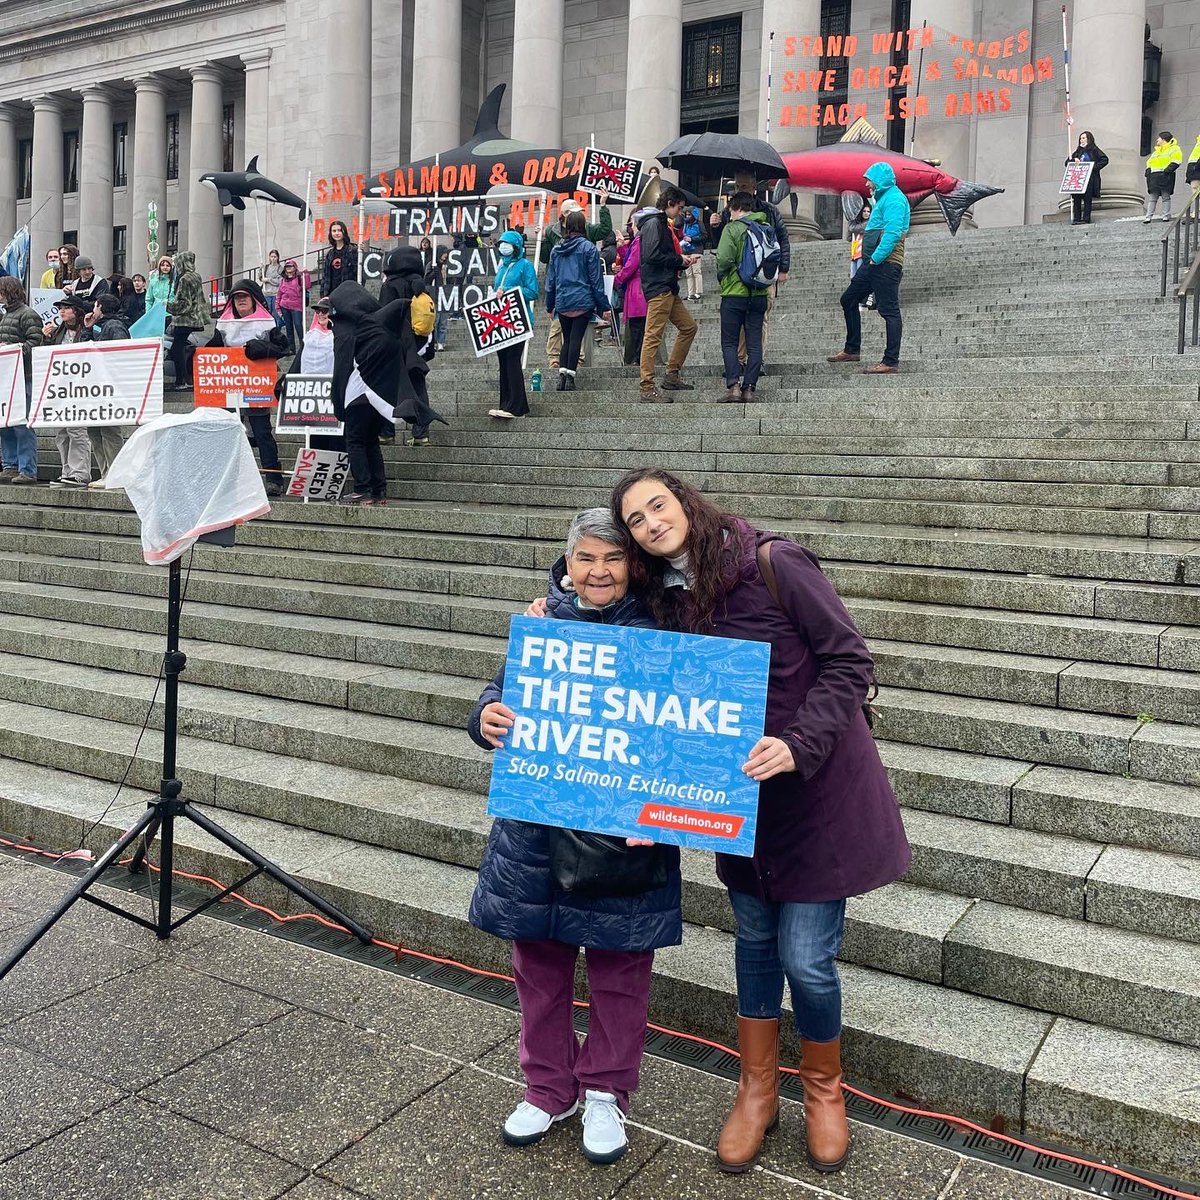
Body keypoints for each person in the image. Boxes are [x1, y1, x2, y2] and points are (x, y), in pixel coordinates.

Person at [611, 468, 911, 1177]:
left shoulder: (772, 562)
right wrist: (552, 606)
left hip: (815, 795)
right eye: (636, 519)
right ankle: (756, 1089)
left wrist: (798, 744)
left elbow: (849, 659)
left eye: (659, 505)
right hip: (737, 805)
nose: (653, 522)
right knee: (752, 943)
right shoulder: (661, 594)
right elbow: (628, 667)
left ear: (684, 502)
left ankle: (824, 1090)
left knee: (806, 958)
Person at [468, 507, 682, 1166]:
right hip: (535, 829)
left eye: (612, 559)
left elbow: (685, 731)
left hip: (624, 832)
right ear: (567, 565)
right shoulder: (541, 627)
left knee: (621, 970)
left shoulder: (663, 634)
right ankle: (547, 1086)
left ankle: (607, 1092)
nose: (598, 571)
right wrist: (487, 716)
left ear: (632, 568)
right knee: (539, 968)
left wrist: (666, 805)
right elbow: (497, 697)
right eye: (586, 558)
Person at [327, 279, 446, 504]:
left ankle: (362, 488)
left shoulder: (346, 331)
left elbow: (341, 368)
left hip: (356, 395)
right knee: (371, 441)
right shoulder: (378, 326)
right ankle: (378, 491)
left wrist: (337, 400)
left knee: (354, 441)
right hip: (378, 396)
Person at [828, 162, 910, 375]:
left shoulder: (894, 199)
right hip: (873, 263)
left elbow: (892, 233)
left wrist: (876, 258)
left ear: (880, 180)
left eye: (869, 179)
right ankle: (852, 349)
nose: (866, 184)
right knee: (848, 299)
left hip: (886, 263)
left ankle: (890, 361)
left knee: (889, 310)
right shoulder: (883, 199)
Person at [210, 279, 289, 496]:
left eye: (244, 297)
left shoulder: (266, 322)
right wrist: (195, 354)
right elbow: (213, 350)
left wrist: (262, 348)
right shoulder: (223, 324)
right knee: (227, 433)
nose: (241, 301)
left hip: (257, 387)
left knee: (263, 433)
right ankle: (228, 479)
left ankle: (273, 478)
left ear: (254, 300)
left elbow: (284, 347)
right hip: (229, 386)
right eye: (236, 298)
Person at [714, 171, 791, 376]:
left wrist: (783, 268)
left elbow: (782, 240)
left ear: (754, 185)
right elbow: (721, 240)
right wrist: (714, 226)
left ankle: (757, 362)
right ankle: (739, 361)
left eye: (744, 186)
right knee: (742, 322)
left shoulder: (769, 210)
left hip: (763, 275)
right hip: (740, 276)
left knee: (761, 320)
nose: (740, 189)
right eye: (738, 186)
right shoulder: (727, 212)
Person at [637, 185, 698, 403]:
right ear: (669, 204)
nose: (681, 212)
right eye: (679, 208)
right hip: (659, 288)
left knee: (689, 327)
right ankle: (647, 386)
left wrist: (682, 262)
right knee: (652, 337)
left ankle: (672, 374)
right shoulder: (654, 223)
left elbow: (660, 256)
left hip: (667, 287)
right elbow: (652, 256)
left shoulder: (661, 224)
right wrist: (678, 260)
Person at [541, 194, 611, 373]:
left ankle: (562, 376)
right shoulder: (587, 247)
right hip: (582, 299)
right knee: (574, 339)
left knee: (567, 339)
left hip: (562, 300)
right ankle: (569, 376)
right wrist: (603, 305)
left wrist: (550, 305)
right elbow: (596, 280)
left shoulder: (557, 248)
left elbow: (551, 279)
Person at [714, 192, 773, 403]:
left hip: (734, 293)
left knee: (730, 342)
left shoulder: (732, 228)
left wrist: (724, 276)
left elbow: (724, 258)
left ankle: (734, 387)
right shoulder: (766, 227)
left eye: (730, 209)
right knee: (754, 344)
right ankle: (749, 388)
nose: (729, 214)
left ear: (736, 208)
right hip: (759, 293)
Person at [378, 247, 438, 447]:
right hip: (417, 346)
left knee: (388, 388)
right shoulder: (421, 285)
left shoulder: (390, 285)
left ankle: (386, 432)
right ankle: (421, 433)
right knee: (418, 387)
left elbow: (384, 315)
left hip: (396, 343)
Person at [487, 228, 538, 420]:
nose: (504, 248)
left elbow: (532, 292)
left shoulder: (525, 265)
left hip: (519, 321)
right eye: (501, 244)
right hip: (501, 321)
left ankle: (517, 407)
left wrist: (509, 290)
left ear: (516, 247)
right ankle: (506, 403)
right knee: (503, 362)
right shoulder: (501, 267)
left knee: (512, 361)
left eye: (507, 244)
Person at [0, 277, 44, 486]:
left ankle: (27, 468)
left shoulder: (28, 314)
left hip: (23, 377)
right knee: (5, 423)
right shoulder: (5, 315)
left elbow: (35, 342)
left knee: (22, 424)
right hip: (7, 378)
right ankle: (10, 465)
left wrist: (13, 348)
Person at [45, 297, 92, 488]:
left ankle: (80, 472)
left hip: (82, 388)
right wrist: (45, 338)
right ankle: (67, 470)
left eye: (66, 308)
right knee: (62, 432)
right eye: (60, 309)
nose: (62, 312)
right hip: (61, 389)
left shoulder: (87, 330)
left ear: (76, 310)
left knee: (77, 430)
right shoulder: (58, 332)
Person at [85, 294, 131, 488]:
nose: (93, 310)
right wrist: (87, 329)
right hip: (97, 386)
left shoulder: (115, 326)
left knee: (109, 431)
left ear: (101, 306)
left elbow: (121, 354)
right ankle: (106, 473)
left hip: (109, 387)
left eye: (95, 306)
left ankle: (116, 473)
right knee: (94, 430)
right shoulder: (99, 326)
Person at [165, 250, 209, 390]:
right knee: (181, 347)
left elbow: (184, 303)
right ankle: (186, 379)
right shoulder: (196, 276)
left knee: (177, 349)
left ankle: (181, 381)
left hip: (184, 320)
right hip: (195, 318)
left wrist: (167, 306)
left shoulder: (184, 279)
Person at [614, 213, 650, 368]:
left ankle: (638, 359)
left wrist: (615, 280)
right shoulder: (639, 241)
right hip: (638, 288)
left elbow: (630, 265)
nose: (630, 227)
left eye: (632, 224)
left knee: (637, 328)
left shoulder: (639, 241)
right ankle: (638, 358)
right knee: (638, 327)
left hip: (638, 290)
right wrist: (622, 246)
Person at [1067, 131, 1108, 225]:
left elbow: (1104, 159)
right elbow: (1067, 163)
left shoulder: (1094, 149)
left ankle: (1086, 218)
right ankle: (1076, 218)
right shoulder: (1078, 152)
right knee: (1076, 198)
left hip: (1089, 179)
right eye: (1081, 138)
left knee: (1087, 198)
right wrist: (1074, 159)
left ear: (1089, 139)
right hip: (1078, 179)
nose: (1082, 140)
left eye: (1084, 138)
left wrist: (1093, 168)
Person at [1144, 131, 1183, 222]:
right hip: (1154, 176)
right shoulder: (1156, 152)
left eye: (1159, 138)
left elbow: (1177, 161)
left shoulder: (1174, 149)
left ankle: (1165, 215)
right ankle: (1148, 216)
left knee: (1166, 196)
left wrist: (1167, 171)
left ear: (1164, 139)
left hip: (1166, 176)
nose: (1157, 139)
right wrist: (1148, 171)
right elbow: (1149, 162)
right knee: (1153, 197)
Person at [276, 260, 308, 354]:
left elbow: (307, 285)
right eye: (287, 266)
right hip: (284, 306)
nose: (288, 268)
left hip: (296, 307)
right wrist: (278, 308)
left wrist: (306, 274)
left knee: (298, 326)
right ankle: (291, 349)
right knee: (289, 328)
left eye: (290, 266)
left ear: (295, 267)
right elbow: (279, 295)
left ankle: (303, 347)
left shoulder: (299, 278)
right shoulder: (282, 280)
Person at [321, 220, 358, 296]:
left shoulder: (352, 251)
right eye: (334, 231)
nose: (337, 233)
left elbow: (357, 273)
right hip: (331, 294)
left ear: (344, 232)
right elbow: (325, 276)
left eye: (339, 230)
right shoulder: (330, 254)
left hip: (347, 293)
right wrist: (322, 294)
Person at [300, 297, 335, 374]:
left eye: (325, 311)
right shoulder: (310, 336)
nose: (320, 314)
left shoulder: (338, 335)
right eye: (318, 311)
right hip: (310, 380)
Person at [681, 205, 705, 302]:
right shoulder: (685, 224)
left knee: (696, 271)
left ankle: (698, 292)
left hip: (696, 250)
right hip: (686, 250)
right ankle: (691, 293)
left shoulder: (699, 224)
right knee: (689, 273)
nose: (687, 216)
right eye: (686, 214)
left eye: (689, 214)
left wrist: (692, 239)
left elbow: (704, 236)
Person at [431, 246, 451, 351]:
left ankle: (441, 342)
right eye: (444, 252)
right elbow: (426, 279)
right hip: (436, 295)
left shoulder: (449, 265)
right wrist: (434, 273)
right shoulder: (432, 265)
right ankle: (434, 341)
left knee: (443, 321)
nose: (446, 255)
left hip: (447, 295)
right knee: (436, 320)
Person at [262, 249, 283, 319]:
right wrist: (261, 269)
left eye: (275, 257)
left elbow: (280, 281)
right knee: (267, 314)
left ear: (277, 258)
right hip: (266, 293)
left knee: (276, 314)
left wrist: (269, 279)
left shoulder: (280, 268)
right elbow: (261, 278)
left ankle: (276, 328)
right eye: (271, 257)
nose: (273, 258)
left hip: (275, 294)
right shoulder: (266, 267)